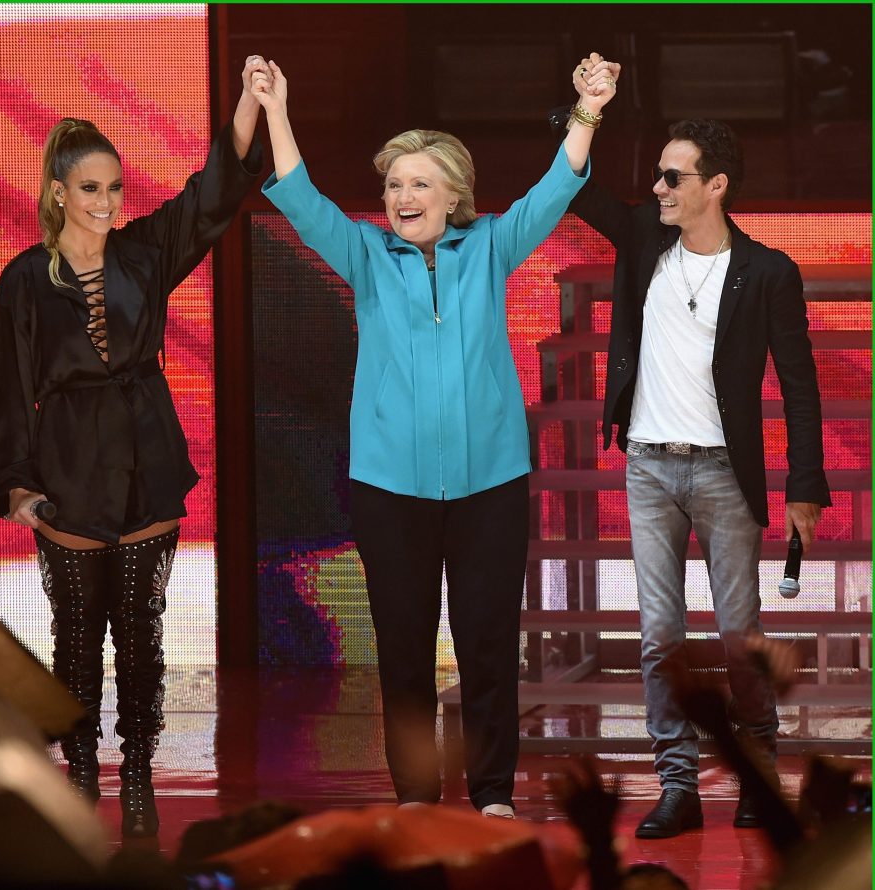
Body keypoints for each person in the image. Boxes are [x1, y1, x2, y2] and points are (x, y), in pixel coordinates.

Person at [252, 53, 619, 817]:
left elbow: (557, 188)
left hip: (490, 487)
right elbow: (302, 199)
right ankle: (416, 795)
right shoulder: (364, 254)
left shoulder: (491, 247)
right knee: (405, 654)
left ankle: (491, 795)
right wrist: (277, 111)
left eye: (419, 182)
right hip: (391, 492)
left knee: (488, 650)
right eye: (393, 184)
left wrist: (587, 110)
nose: (402, 195)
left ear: (456, 195)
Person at [0, 55, 269, 837]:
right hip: (69, 468)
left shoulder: (144, 254)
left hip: (147, 456)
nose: (107, 201)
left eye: (114, 187)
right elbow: (8, 391)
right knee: (75, 639)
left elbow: (210, 198)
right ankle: (80, 777)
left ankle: (137, 775)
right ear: (57, 192)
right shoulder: (22, 282)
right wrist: (15, 486)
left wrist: (247, 102)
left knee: (141, 639)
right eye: (90, 188)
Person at [556, 57, 831, 838]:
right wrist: (586, 108)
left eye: (675, 178)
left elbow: (800, 387)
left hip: (722, 472)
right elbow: (577, 185)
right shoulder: (646, 237)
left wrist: (804, 487)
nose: (659, 189)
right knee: (658, 637)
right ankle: (676, 786)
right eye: (657, 176)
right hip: (648, 464)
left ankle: (756, 776)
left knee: (741, 638)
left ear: (717, 186)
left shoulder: (767, 272)